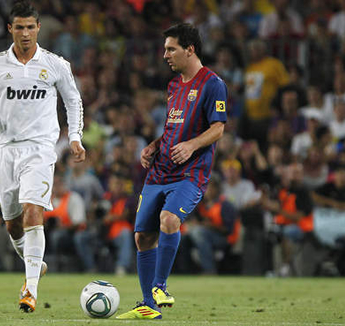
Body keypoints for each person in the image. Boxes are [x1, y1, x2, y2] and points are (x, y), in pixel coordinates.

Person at [0, 1, 85, 313]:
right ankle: (35, 264)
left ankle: (29, 289)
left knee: (34, 213)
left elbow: (73, 101)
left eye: (31, 27)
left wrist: (74, 137)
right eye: (20, 27)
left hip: (41, 149)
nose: (26, 33)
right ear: (10, 29)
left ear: (38, 28)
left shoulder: (56, 64)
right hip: (6, 150)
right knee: (13, 226)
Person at [117, 23, 227, 320]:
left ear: (190, 49)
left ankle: (160, 286)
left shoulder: (212, 83)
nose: (164, 54)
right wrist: (154, 145)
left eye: (171, 48)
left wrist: (192, 146)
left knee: (169, 219)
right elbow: (172, 127)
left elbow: (218, 128)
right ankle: (148, 306)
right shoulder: (174, 85)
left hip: (190, 173)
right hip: (159, 171)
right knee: (142, 237)